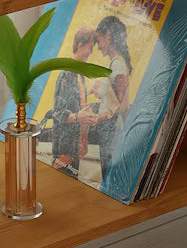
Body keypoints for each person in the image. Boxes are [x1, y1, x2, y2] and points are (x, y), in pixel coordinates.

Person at [81, 15, 131, 186]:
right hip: (108, 130)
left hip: (112, 130)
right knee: (107, 175)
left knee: (110, 176)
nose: (98, 47)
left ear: (108, 35)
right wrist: (101, 93)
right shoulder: (113, 64)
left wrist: (99, 117)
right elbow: (114, 99)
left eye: (98, 40)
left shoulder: (117, 65)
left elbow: (122, 105)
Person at [50, 28, 96, 177]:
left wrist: (84, 138)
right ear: (81, 44)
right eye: (91, 46)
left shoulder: (80, 76)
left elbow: (81, 111)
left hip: (76, 147)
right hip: (65, 148)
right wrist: (77, 117)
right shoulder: (66, 74)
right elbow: (58, 113)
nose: (92, 51)